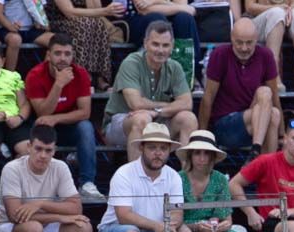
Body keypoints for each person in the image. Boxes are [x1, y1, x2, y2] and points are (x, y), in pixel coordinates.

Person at [0, 123, 94, 232]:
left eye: (48, 150)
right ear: (29, 147)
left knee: (83, 227)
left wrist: (40, 204)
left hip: (43, 228)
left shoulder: (60, 167)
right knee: (33, 229)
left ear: (54, 150)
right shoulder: (12, 168)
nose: (43, 155)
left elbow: (76, 208)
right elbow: (15, 215)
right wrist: (59, 217)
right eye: (38, 149)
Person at [98, 122, 196, 232]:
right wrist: (157, 226)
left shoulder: (174, 176)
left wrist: (169, 226)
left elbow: (177, 213)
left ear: (169, 151)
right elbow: (123, 216)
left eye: (163, 148)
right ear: (141, 148)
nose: (158, 153)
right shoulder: (124, 173)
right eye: (152, 147)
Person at [102, 20, 197, 160]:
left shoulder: (175, 66)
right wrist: (167, 106)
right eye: (155, 44)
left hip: (157, 121)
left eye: (165, 45)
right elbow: (136, 105)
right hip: (121, 123)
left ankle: (186, 178)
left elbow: (187, 103)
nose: (160, 50)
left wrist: (157, 111)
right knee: (142, 118)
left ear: (172, 46)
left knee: (188, 118)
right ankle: (137, 180)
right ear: (146, 43)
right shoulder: (131, 62)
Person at [25, 33, 104, 200]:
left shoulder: (80, 74)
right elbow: (43, 113)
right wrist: (59, 84)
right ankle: (39, 185)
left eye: (67, 54)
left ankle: (87, 183)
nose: (63, 58)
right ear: (48, 55)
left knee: (86, 127)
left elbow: (85, 112)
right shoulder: (35, 75)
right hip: (43, 126)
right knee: (41, 125)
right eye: (58, 53)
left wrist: (56, 119)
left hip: (69, 126)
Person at [198, 17, 280, 156]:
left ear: (257, 39)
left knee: (270, 104)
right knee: (270, 111)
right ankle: (263, 161)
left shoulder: (265, 55)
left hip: (256, 123)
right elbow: (208, 97)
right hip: (226, 125)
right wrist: (202, 136)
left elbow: (275, 97)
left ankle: (258, 154)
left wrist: (283, 133)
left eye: (249, 43)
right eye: (239, 42)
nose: (244, 48)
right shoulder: (220, 54)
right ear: (231, 38)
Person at [177, 130, 245, 232]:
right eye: (197, 153)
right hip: (183, 231)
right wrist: (195, 226)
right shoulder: (178, 178)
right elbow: (174, 220)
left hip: (210, 231)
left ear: (212, 157)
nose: (202, 158)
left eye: (206, 153)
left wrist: (223, 225)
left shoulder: (220, 179)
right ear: (190, 156)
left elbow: (227, 219)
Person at [45, 0, 122, 92]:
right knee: (86, 24)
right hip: (61, 21)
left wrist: (102, 10)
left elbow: (96, 10)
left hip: (86, 21)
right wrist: (105, 11)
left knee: (97, 23)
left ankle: (100, 79)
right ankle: (83, 79)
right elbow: (69, 12)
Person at [242, 0, 294, 92]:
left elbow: (293, 4)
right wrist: (276, 8)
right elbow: (250, 7)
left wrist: (289, 11)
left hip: (285, 17)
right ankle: (273, 71)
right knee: (277, 13)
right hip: (259, 20)